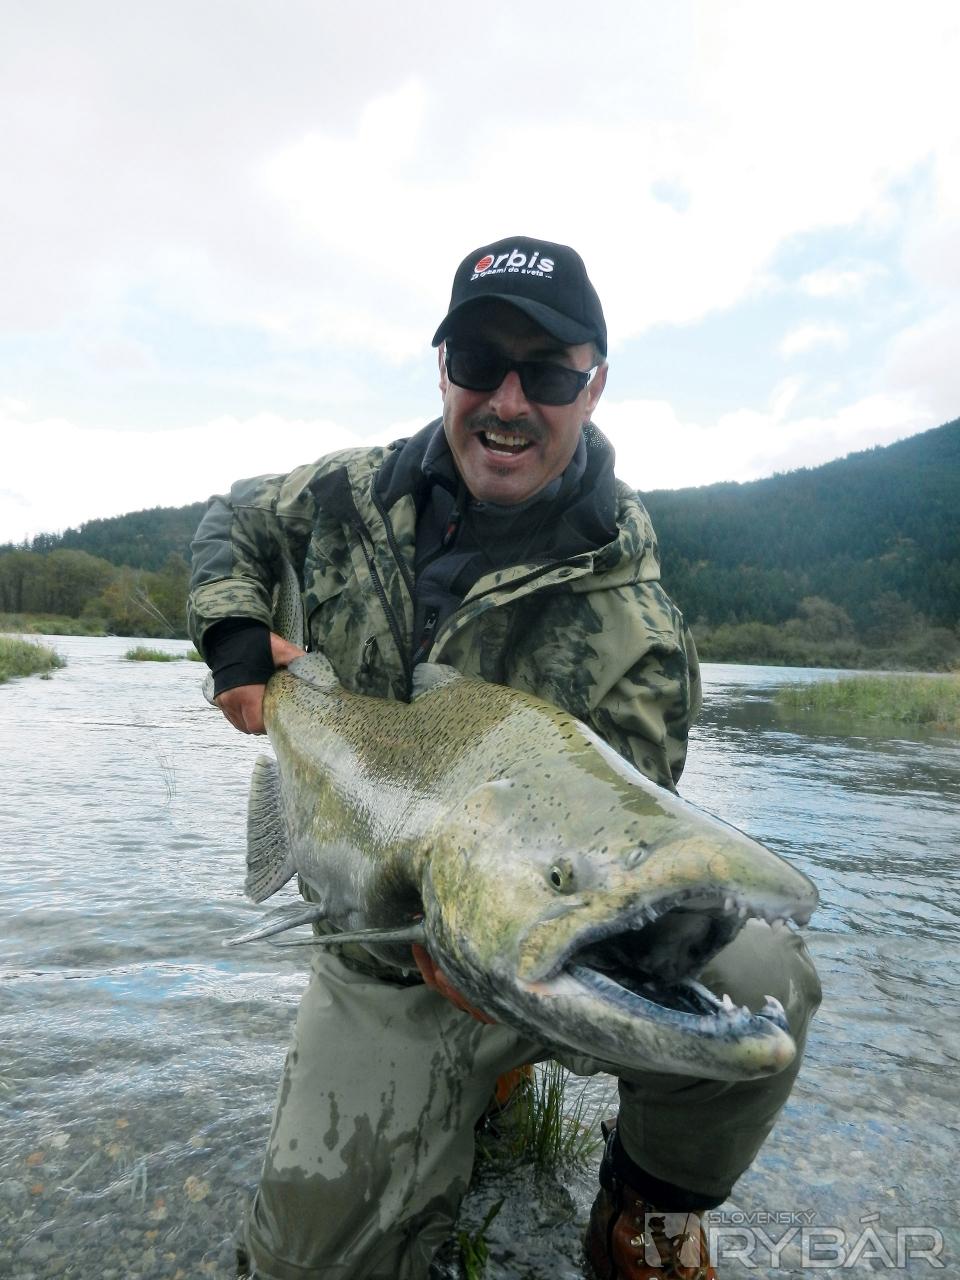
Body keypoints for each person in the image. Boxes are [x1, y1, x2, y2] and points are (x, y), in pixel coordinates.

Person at [188, 236, 821, 1280]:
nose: (509, 401)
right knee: (307, 1268)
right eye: (481, 361)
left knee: (763, 975)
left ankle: (646, 1207)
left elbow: (613, 844)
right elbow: (234, 520)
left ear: (594, 385)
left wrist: (496, 937)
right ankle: (461, 1086)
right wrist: (233, 636)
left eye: (549, 374)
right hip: (382, 949)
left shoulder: (639, 630)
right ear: (444, 367)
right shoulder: (348, 494)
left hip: (530, 928)